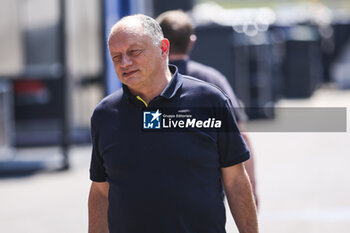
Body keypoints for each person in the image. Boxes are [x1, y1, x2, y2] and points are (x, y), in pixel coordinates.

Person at [88, 14, 258, 233]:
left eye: (134, 52)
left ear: (163, 48)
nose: (125, 63)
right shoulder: (105, 115)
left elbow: (235, 181)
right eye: (116, 57)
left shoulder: (209, 100)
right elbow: (101, 192)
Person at [156, 10, 258, 206]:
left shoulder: (144, 82)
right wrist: (251, 186)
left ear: (161, 43)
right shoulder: (213, 80)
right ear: (191, 41)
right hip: (205, 194)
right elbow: (240, 135)